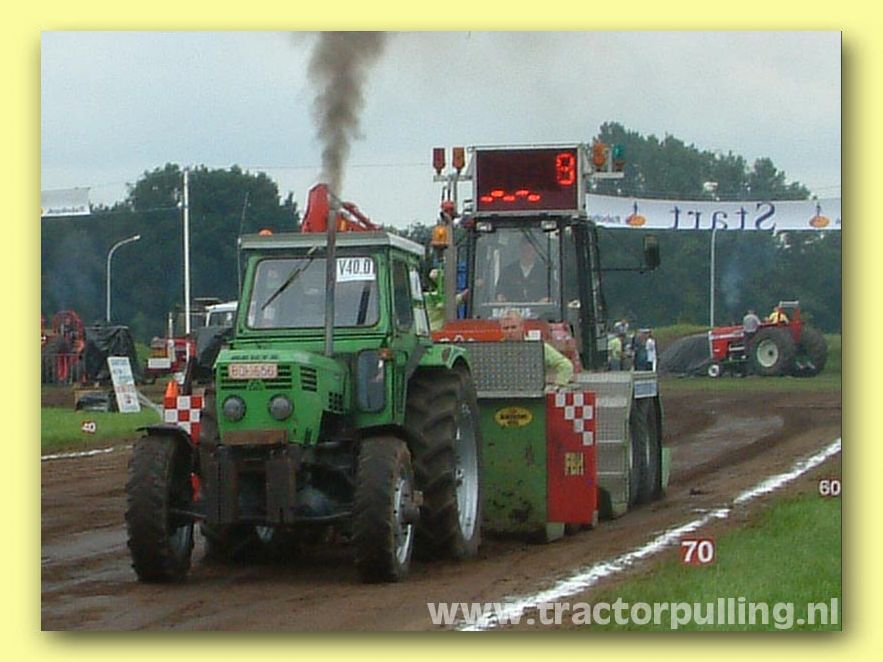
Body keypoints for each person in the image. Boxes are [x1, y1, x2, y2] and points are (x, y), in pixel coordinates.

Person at [499, 310, 573, 386]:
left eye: (513, 327)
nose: (510, 331)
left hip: (532, 390)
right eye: (506, 328)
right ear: (501, 329)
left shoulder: (537, 347)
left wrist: (558, 386)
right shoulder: (496, 350)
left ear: (522, 327)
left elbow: (566, 365)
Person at [496, 237, 553, 302]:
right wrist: (500, 297)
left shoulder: (545, 272)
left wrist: (546, 300)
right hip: (512, 308)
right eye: (525, 250)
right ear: (520, 250)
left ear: (535, 251)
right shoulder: (508, 272)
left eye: (530, 250)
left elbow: (553, 294)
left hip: (540, 308)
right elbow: (499, 292)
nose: (528, 253)